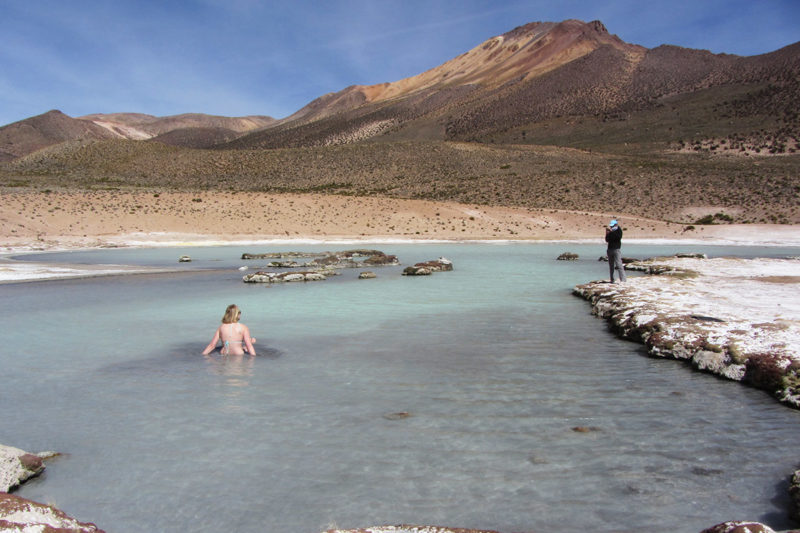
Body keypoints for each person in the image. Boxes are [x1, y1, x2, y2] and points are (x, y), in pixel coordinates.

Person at [605, 219, 626, 283]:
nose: (611, 227)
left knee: (619, 265)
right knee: (611, 266)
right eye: (611, 226)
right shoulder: (611, 232)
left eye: (612, 226)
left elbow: (618, 237)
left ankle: (623, 280)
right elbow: (607, 240)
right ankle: (612, 279)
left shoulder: (618, 230)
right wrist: (607, 234)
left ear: (616, 225)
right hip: (610, 249)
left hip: (616, 249)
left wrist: (611, 232)